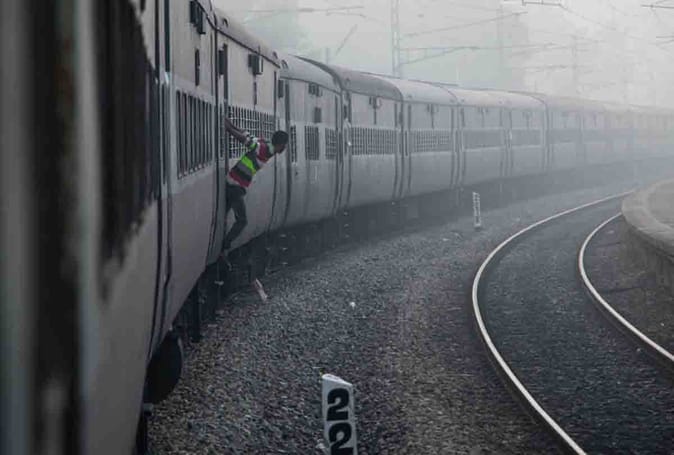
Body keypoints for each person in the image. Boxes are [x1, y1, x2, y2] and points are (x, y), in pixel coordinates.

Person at [221, 117, 288, 254]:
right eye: (284, 145)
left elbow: (246, 134)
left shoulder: (265, 144)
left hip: (234, 183)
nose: (285, 148)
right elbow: (245, 140)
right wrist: (229, 129)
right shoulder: (265, 150)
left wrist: (230, 125)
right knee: (242, 221)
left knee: (224, 216)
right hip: (235, 186)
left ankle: (221, 249)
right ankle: (224, 247)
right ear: (280, 144)